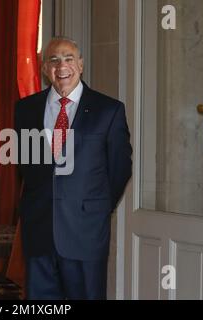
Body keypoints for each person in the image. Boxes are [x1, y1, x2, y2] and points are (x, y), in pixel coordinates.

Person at [14, 37, 132, 299]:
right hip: (39, 232)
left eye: (68, 58)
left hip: (85, 232)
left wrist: (95, 205)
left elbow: (120, 168)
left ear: (80, 65)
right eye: (53, 60)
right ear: (45, 69)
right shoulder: (25, 109)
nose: (61, 65)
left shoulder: (108, 110)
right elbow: (26, 167)